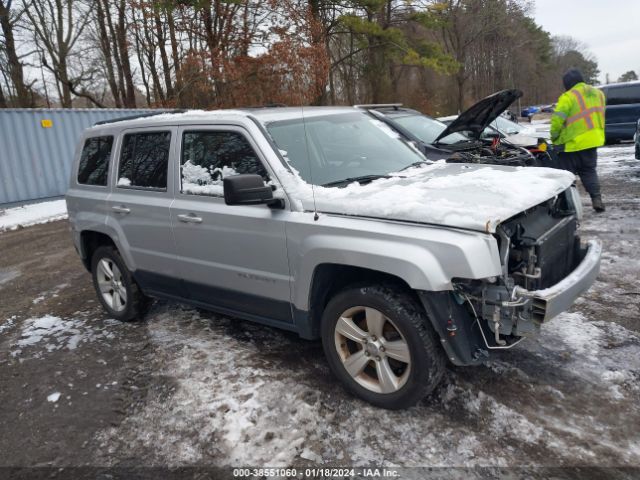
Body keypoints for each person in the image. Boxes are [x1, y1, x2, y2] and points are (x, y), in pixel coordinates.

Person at [550, 68, 606, 212]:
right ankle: (596, 199)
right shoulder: (598, 93)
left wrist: (554, 136)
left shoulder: (568, 97)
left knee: (567, 176)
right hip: (593, 141)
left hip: (571, 144)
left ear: (567, 83)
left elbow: (557, 120)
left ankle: (568, 206)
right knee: (589, 171)